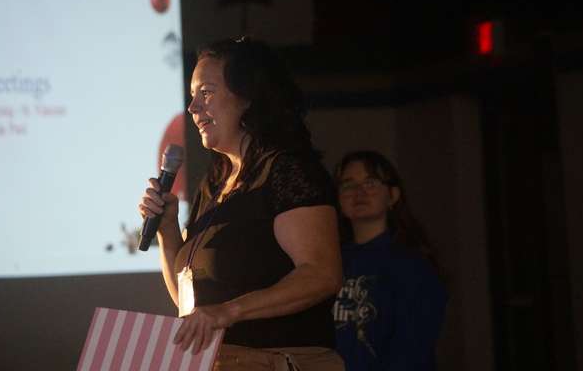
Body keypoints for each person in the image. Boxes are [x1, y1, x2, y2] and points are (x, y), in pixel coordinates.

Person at [138, 36, 344, 370]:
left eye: (206, 93)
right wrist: (167, 231)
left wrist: (229, 311)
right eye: (192, 97)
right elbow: (192, 307)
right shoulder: (215, 184)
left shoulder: (286, 171)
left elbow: (321, 275)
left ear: (248, 96)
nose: (192, 109)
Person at [332, 151, 447, 370]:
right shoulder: (331, 261)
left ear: (392, 195)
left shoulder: (413, 264)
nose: (359, 192)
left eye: (371, 183)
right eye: (348, 185)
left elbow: (414, 345)